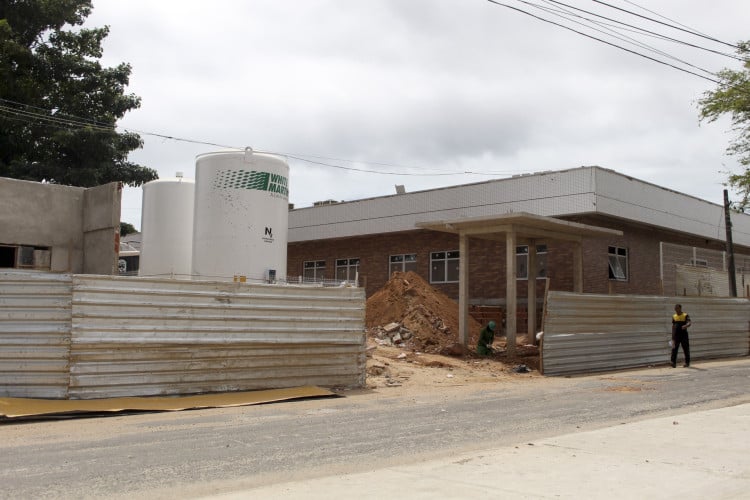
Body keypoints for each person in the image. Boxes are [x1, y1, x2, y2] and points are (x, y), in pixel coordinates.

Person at [671, 304, 691, 368]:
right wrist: (673, 337)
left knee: (686, 349)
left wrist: (686, 325)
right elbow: (673, 326)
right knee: (674, 349)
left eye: (677, 308)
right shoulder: (674, 316)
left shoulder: (685, 315)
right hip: (676, 335)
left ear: (680, 308)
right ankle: (673, 362)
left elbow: (689, 323)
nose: (676, 310)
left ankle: (687, 362)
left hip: (684, 335)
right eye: (675, 308)